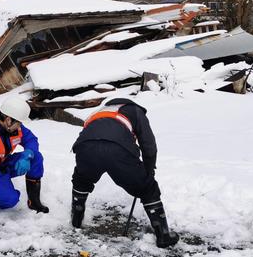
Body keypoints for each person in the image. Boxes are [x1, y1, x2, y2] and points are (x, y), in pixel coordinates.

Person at [70, 98, 179, 248]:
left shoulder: (99, 111)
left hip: (85, 146)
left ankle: (76, 218)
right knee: (148, 188)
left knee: (81, 180)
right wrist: (149, 169)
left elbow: (90, 132)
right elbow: (148, 143)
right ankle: (164, 235)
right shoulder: (136, 111)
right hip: (118, 148)